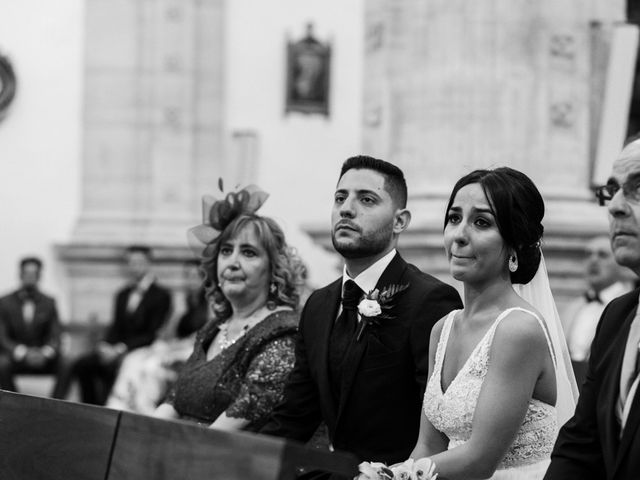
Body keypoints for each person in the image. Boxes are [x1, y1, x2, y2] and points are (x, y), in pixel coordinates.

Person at [260, 155, 462, 467]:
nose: (347, 208)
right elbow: (296, 414)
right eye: (340, 197)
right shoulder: (318, 305)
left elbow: (441, 425)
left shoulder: (430, 301)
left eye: (366, 199)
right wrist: (237, 459)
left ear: (399, 221)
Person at [404, 167, 578, 479]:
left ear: (514, 247)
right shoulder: (442, 329)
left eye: (481, 222)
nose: (459, 235)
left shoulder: (517, 329)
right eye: (454, 218)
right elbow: (428, 447)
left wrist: (394, 476)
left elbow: (479, 459)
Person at [153, 184, 306, 432]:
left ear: (274, 269)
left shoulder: (284, 332)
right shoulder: (213, 328)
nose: (233, 262)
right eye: (226, 251)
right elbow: (175, 399)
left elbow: (245, 410)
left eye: (248, 252)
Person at [544, 138, 640, 479]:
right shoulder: (617, 317)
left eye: (638, 186)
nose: (614, 207)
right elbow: (582, 444)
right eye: (611, 190)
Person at [54, 245, 172, 404]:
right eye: (131, 262)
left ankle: (109, 412)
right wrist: (105, 345)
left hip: (139, 349)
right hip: (115, 347)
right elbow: (116, 326)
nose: (134, 266)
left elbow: (152, 333)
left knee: (114, 370)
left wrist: (120, 349)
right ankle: (90, 407)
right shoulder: (122, 294)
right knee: (82, 365)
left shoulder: (161, 295)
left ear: (148, 263)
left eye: (139, 262)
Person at [105, 259, 210, 414]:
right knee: (133, 358)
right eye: (187, 276)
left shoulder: (210, 303)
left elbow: (205, 334)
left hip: (194, 350)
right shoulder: (185, 302)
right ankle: (118, 404)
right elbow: (168, 332)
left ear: (204, 279)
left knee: (151, 367)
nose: (190, 280)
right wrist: (165, 343)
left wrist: (173, 347)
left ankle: (145, 410)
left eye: (195, 276)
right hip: (175, 346)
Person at [562, 235, 632, 388]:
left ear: (621, 263)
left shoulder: (631, 307)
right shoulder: (573, 307)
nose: (593, 260)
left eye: (602, 255)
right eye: (588, 255)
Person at [0, 257, 62, 393]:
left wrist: (45, 353)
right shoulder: (5, 302)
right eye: (27, 273)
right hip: (16, 357)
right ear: (20, 274)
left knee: (67, 362)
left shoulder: (49, 302)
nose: (30, 277)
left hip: (42, 357)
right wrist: (24, 353)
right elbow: (2, 337)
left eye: (34, 274)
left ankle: (55, 406)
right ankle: (15, 405)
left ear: (39, 276)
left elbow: (56, 336)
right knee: (1, 363)